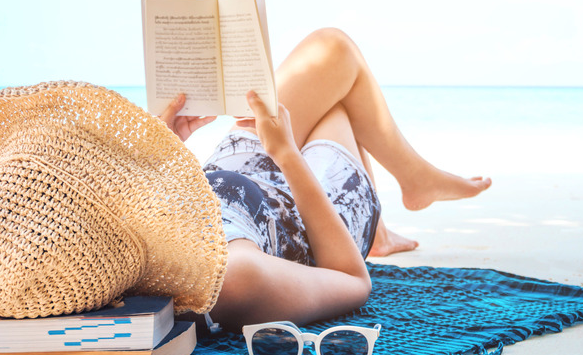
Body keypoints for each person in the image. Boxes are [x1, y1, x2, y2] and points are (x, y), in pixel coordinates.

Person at [159, 28, 491, 330]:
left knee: (332, 55)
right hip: (314, 218)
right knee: (337, 98)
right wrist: (287, 154)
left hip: (238, 169)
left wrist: (162, 152)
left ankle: (404, 199)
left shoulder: (139, 232)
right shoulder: (235, 276)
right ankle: (401, 201)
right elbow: (353, 281)